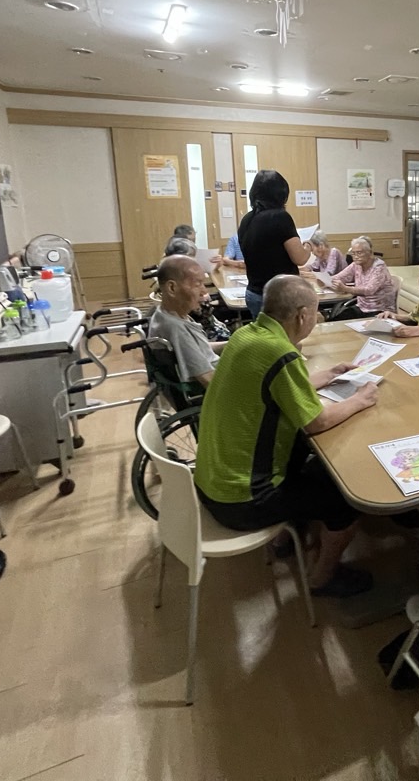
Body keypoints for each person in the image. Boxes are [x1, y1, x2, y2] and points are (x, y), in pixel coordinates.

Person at [195, 275, 378, 597]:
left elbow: (274, 385)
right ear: (302, 315)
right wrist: (360, 400)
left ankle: (283, 540)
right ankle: (322, 579)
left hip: (211, 483)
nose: (317, 318)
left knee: (306, 461)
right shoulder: (281, 353)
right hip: (242, 500)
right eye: (316, 312)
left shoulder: (246, 335)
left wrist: (328, 375)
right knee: (346, 502)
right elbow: (317, 422)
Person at [237, 170, 310, 318]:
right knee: (283, 333)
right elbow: (300, 258)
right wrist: (308, 247)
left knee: (263, 332)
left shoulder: (246, 220)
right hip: (280, 295)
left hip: (253, 292)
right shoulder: (280, 217)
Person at [147, 256, 225, 390]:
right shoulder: (176, 328)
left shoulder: (164, 314)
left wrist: (233, 344)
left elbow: (197, 349)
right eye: (197, 284)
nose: (204, 292)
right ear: (172, 288)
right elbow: (208, 380)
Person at [330, 236, 397, 319]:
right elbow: (340, 277)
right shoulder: (356, 265)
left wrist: (345, 288)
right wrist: (324, 280)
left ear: (370, 253)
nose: (355, 256)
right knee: (334, 320)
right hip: (361, 307)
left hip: (380, 310)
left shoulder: (379, 267)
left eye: (359, 253)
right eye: (353, 253)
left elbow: (369, 290)